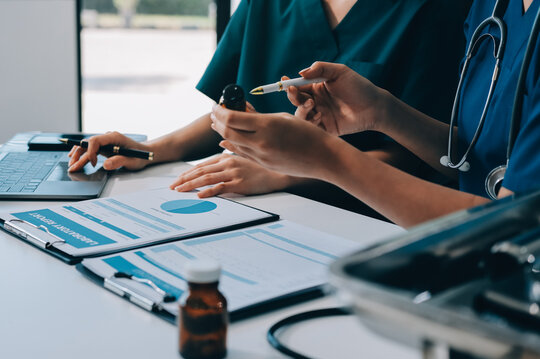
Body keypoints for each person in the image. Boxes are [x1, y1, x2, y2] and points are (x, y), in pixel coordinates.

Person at [68, 0, 470, 210]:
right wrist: (152, 149)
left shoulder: (437, 11)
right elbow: (230, 115)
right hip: (258, 207)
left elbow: (425, 160)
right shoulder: (267, 4)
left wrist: (283, 175)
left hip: (366, 216)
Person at [208, 0, 540, 227]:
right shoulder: (492, 6)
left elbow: (516, 226)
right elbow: (473, 160)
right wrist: (382, 111)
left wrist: (326, 158)